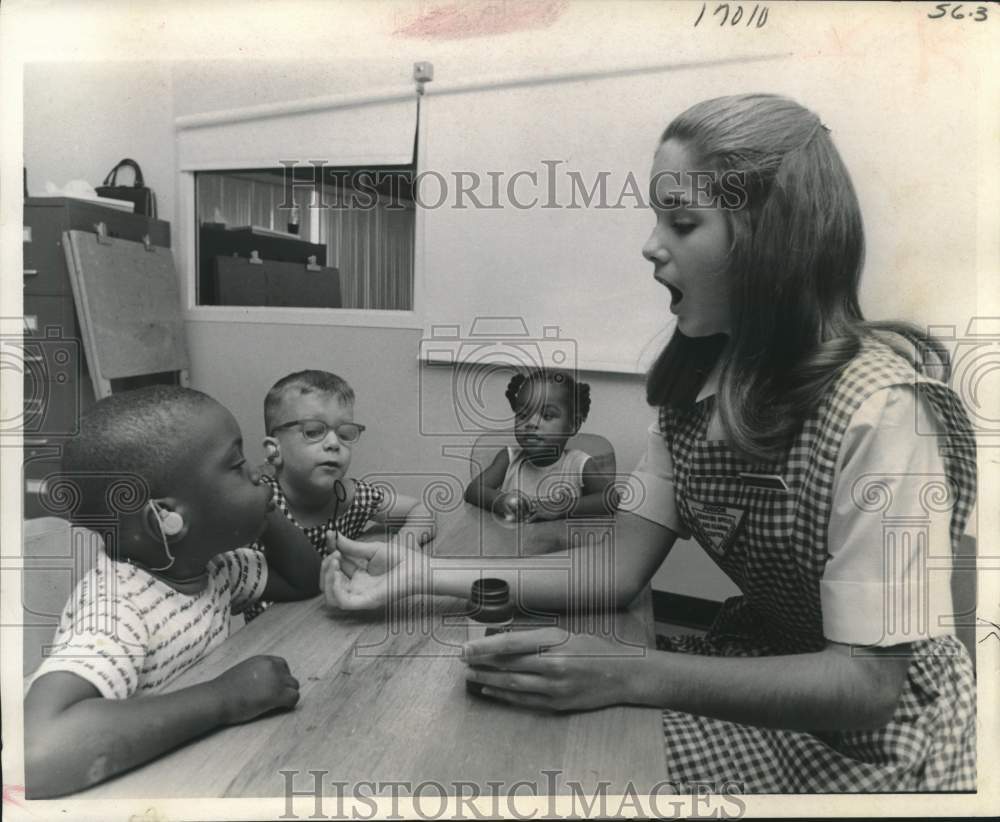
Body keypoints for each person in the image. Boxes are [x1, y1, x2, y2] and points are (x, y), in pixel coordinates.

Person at [321, 94, 978, 793]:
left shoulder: (885, 412)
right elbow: (616, 566)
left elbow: (867, 686)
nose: (651, 244)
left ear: (773, 238)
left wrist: (627, 672)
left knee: (576, 774)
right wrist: (424, 574)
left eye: (682, 222)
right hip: (771, 673)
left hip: (878, 741)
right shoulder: (694, 396)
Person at [24, 386, 322, 798]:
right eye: (237, 465)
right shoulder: (116, 610)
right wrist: (225, 698)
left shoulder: (211, 568)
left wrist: (264, 507)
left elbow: (304, 580)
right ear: (166, 517)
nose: (257, 473)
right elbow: (36, 754)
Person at [243, 370, 435, 620]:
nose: (334, 443)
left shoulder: (350, 496)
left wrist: (402, 546)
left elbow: (421, 511)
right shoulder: (256, 504)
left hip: (342, 621)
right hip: (274, 631)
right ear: (274, 450)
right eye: (313, 431)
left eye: (344, 434)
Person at [464, 369, 617, 521]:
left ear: (573, 425)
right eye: (523, 415)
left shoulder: (578, 463)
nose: (531, 423)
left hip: (562, 537)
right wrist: (499, 501)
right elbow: (472, 490)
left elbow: (611, 498)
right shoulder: (509, 458)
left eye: (547, 416)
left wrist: (562, 508)